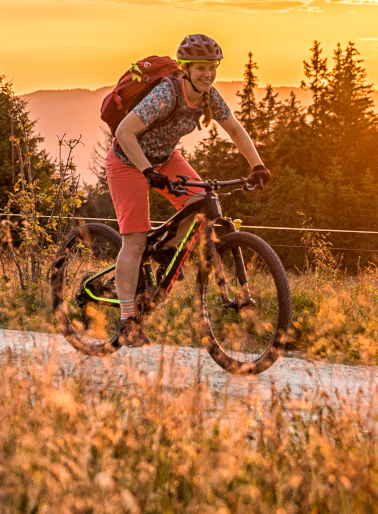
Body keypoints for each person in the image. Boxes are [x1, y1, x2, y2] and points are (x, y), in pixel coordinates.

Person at [107, 33, 270, 347]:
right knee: (135, 239)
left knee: (199, 201)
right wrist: (146, 170)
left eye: (213, 67)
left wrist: (258, 166)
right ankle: (127, 319)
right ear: (185, 68)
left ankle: (167, 250)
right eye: (200, 68)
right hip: (128, 161)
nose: (208, 74)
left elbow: (234, 128)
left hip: (165, 158)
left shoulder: (208, 96)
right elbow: (124, 131)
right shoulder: (167, 95)